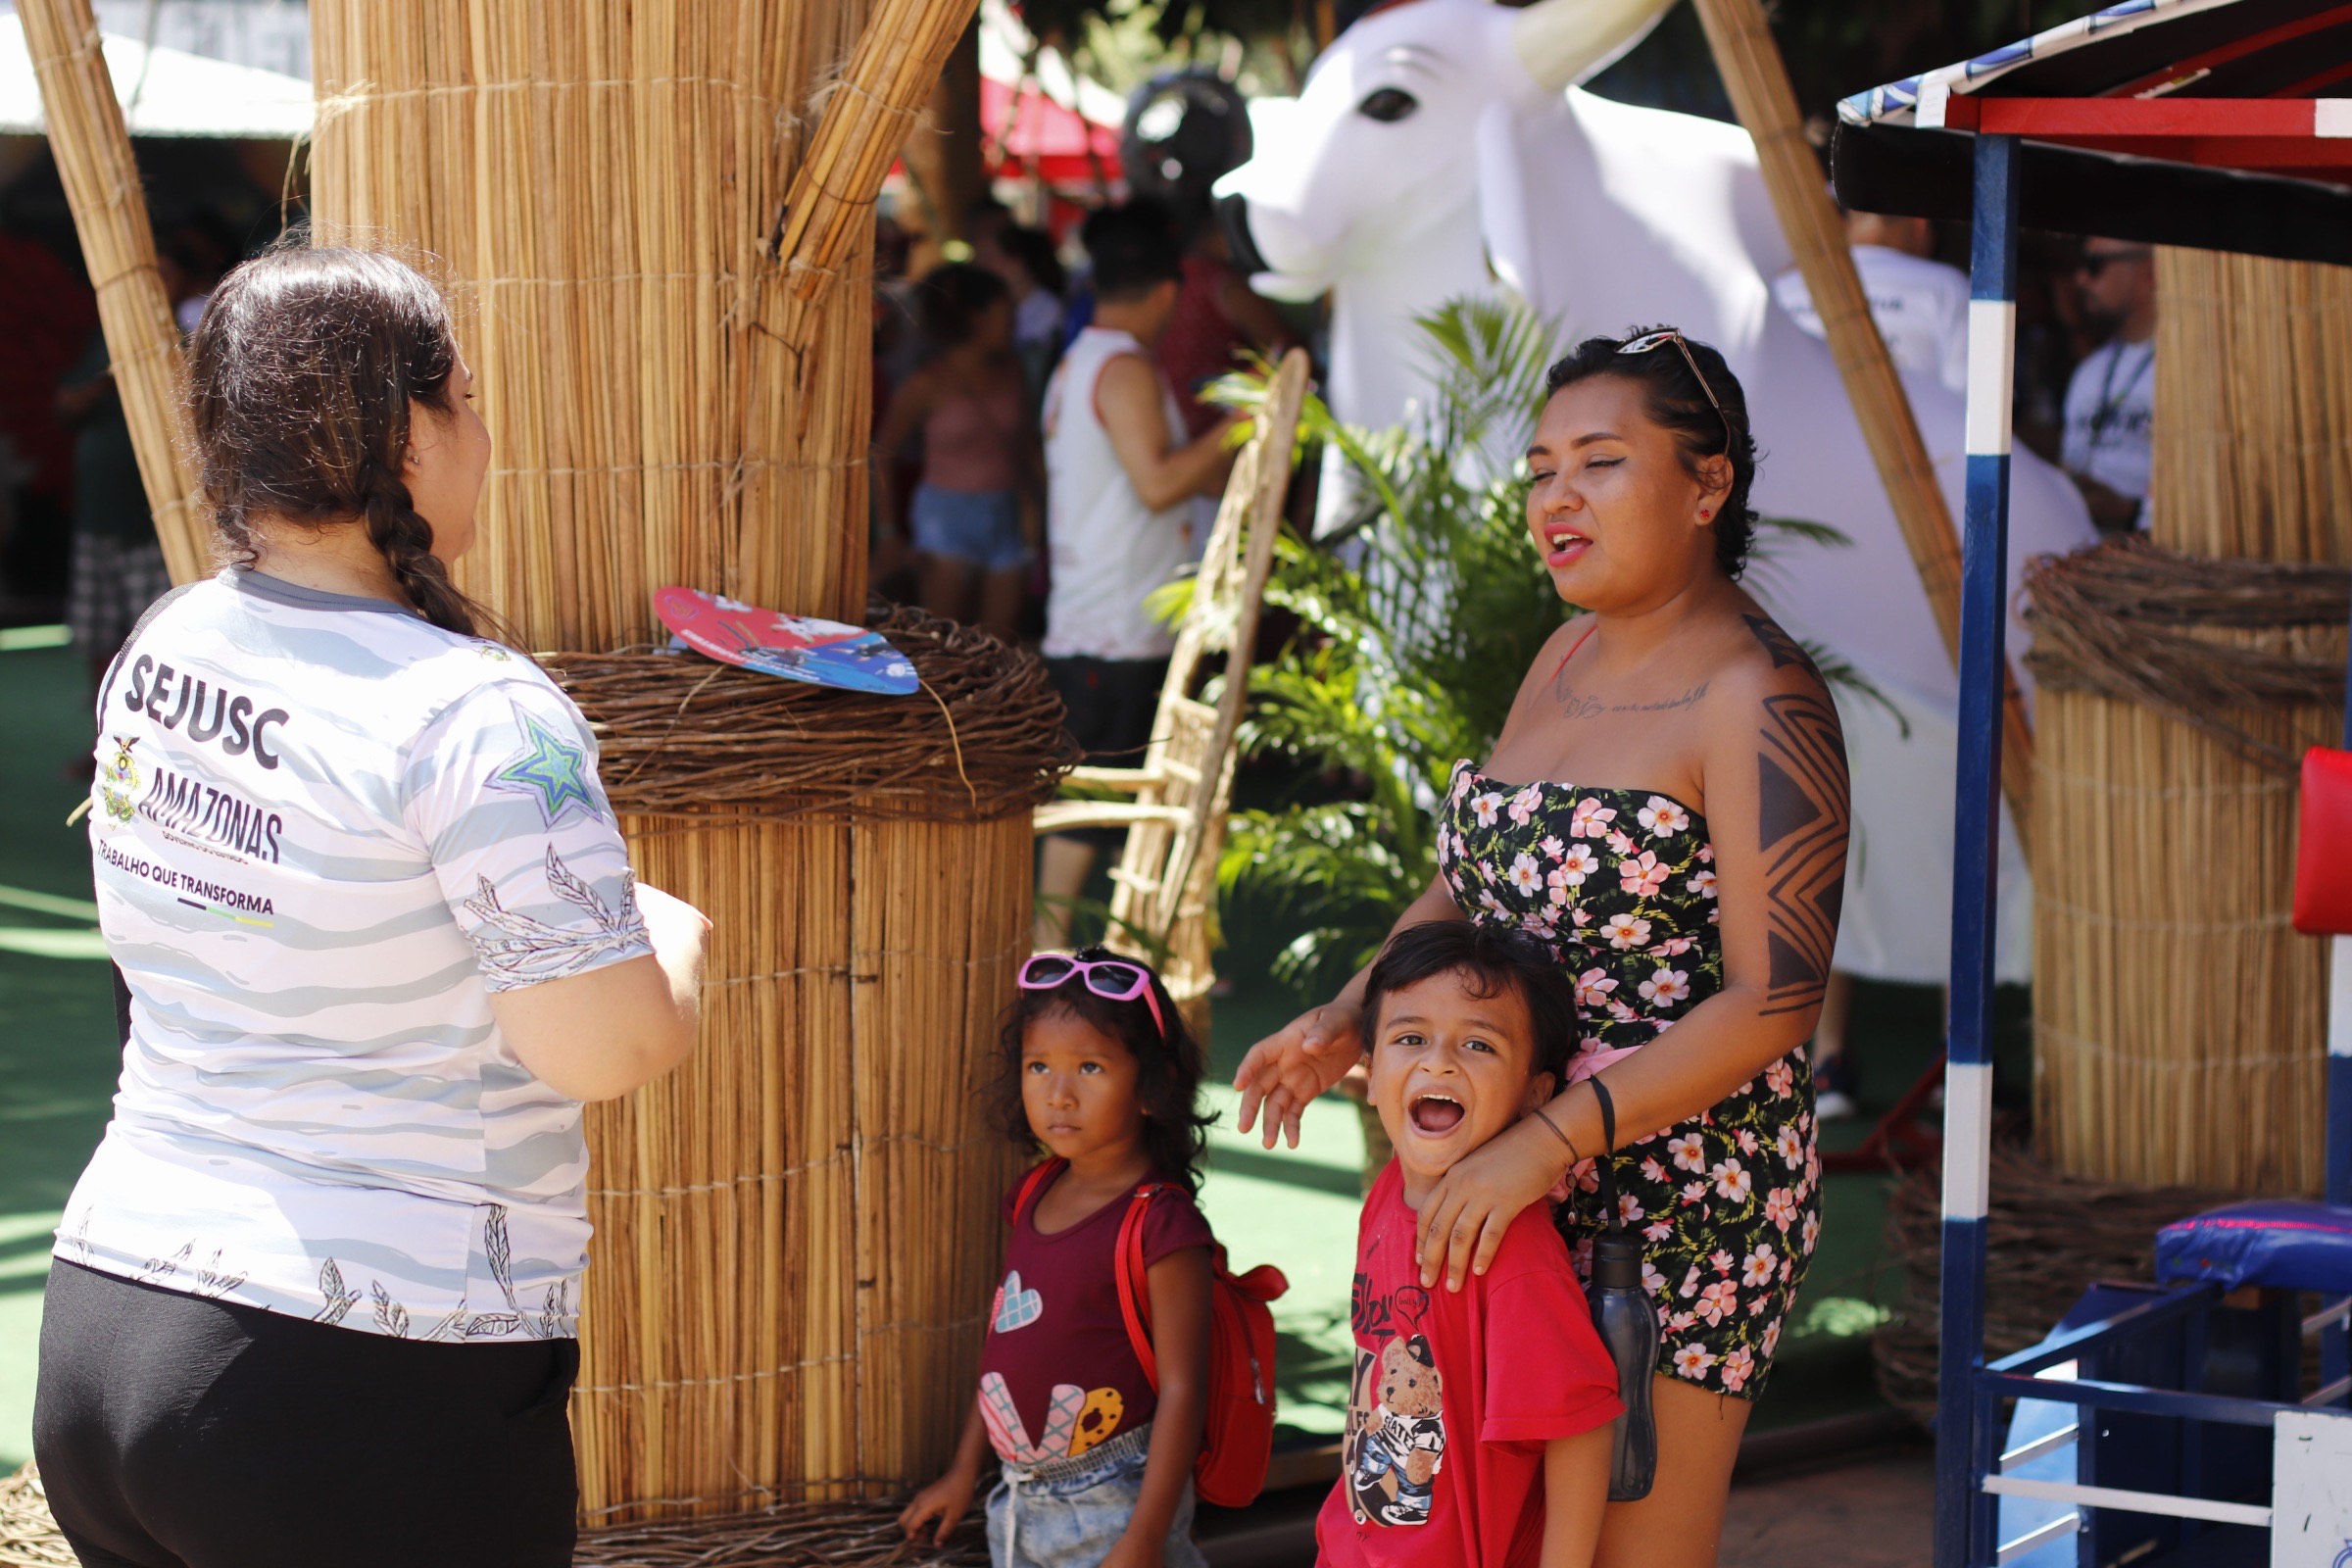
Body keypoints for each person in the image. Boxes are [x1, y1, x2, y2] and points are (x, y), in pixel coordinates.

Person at [33, 244, 712, 1568]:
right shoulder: (476, 711)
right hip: (357, 1377)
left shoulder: (171, 643)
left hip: (111, 1328)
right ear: (409, 432)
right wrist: (672, 939)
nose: (486, 429)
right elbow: (604, 1047)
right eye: (466, 392)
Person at [1234, 326, 1850, 1568]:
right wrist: (1350, 1015)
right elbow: (1467, 885)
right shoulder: (1562, 657)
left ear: (1707, 484)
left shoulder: (1758, 693)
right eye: (1539, 468)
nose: (1554, 496)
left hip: (1675, 1207)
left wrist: (1544, 1145)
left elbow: (1778, 1000)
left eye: (1600, 462)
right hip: (1497, 1183)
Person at [900, 949, 1217, 1568]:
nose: (1059, 1094)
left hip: (1114, 1506)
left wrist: (1143, 1540)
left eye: (1091, 1067)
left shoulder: (1161, 1225)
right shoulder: (1033, 1194)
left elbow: (1185, 1392)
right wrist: (965, 1471)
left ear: (1154, 1086)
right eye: (1038, 1065)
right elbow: (1004, 1349)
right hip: (1016, 1504)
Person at [1323, 921, 1619, 1568]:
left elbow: (1580, 1428)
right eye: (1410, 1038)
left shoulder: (1507, 1247)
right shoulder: (1383, 1199)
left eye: (1478, 1045)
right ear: (1369, 1077)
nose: (1439, 1062)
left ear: (1533, 1097)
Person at [1033, 201, 1236, 950]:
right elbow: (1157, 483)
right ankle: (1048, 950)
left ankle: (1080, 946)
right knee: (1094, 799)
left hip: (1110, 616)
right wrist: (1242, 425)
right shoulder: (1118, 366)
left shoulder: (1083, 359)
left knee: (1100, 800)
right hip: (1117, 624)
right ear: (1166, 291)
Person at [872, 262, 1040, 644]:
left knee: (999, 648)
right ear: (976, 317)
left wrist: (1040, 508)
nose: (1014, 319)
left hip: (1006, 514)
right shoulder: (927, 382)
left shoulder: (1012, 369)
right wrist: (887, 533)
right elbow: (883, 451)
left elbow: (1028, 444)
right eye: (1006, 310)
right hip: (945, 521)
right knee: (946, 644)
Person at [1771, 209, 1970, 395]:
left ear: (1848, 222)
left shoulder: (1783, 287)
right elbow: (1964, 403)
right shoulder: (1949, 288)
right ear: (1921, 226)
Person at [2060, 238, 2156, 534]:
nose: (2081, 278)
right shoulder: (2089, 372)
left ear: (2147, 273)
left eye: (2094, 266)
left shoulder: (2188, 368)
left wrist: (2129, 511)